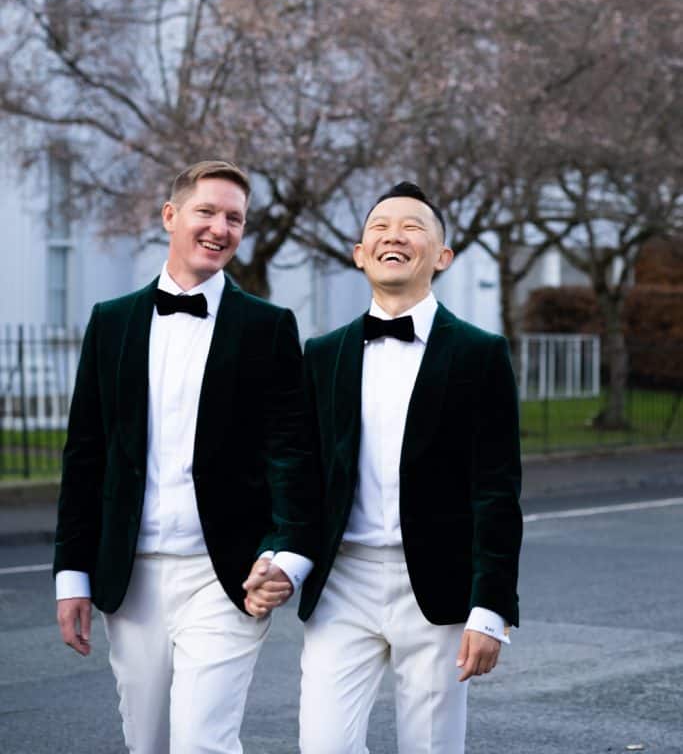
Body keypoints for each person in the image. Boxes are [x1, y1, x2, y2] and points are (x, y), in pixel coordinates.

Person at [54, 159, 319, 754]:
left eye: (235, 219)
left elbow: (291, 455)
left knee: (203, 741)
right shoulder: (111, 322)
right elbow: (85, 456)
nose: (220, 228)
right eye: (207, 212)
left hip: (224, 575)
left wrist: (283, 551)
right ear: (171, 216)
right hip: (132, 574)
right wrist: (71, 575)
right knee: (145, 742)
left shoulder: (268, 327)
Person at [296, 181, 522, 754]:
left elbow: (497, 490)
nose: (394, 235)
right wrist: (281, 556)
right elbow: (299, 474)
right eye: (379, 226)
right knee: (324, 745)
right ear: (359, 253)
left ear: (442, 257)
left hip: (438, 587)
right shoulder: (323, 354)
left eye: (413, 227)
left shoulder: (479, 354)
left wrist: (491, 607)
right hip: (342, 582)